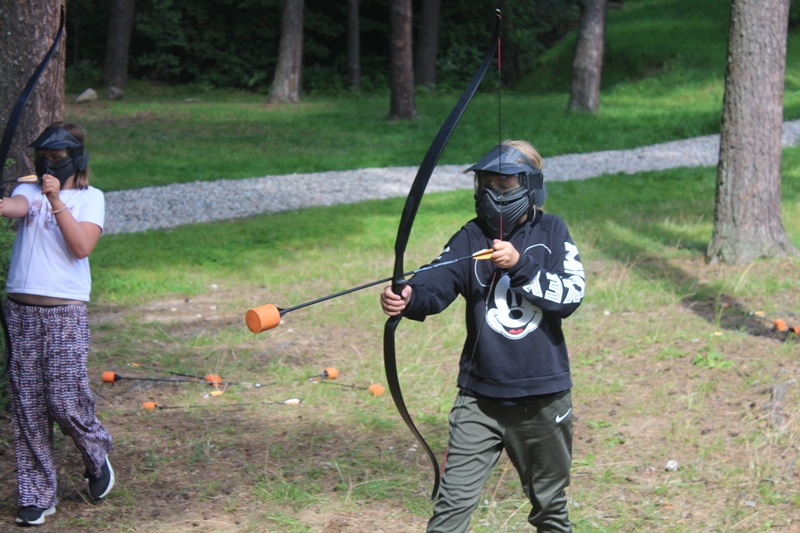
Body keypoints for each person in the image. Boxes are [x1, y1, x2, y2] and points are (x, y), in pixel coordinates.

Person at [381, 140, 585, 533]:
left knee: (550, 510)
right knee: (450, 511)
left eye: (505, 185)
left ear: (531, 185)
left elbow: (570, 296)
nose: (493, 194)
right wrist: (409, 296)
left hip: (542, 399)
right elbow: (438, 279)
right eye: (486, 184)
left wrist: (520, 264)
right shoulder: (472, 236)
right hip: (479, 400)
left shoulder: (552, 231)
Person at [0, 123, 113, 527]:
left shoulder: (90, 198)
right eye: (44, 155)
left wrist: (55, 200)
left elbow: (81, 246)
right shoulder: (28, 190)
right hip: (20, 310)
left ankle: (96, 454)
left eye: (58, 155)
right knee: (28, 406)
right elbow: (14, 207)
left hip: (64, 311)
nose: (49, 162)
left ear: (75, 157)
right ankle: (37, 495)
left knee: (65, 401)